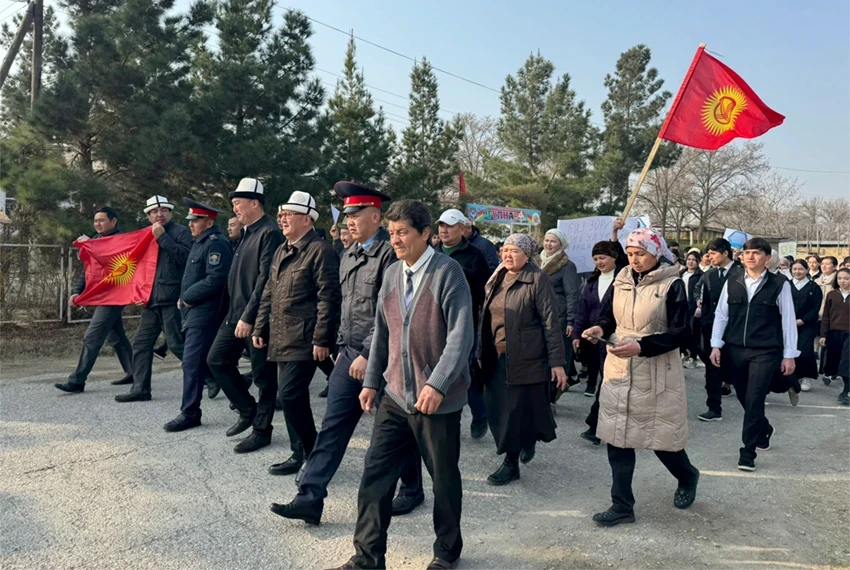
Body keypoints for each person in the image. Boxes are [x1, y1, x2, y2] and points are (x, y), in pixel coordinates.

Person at [328, 200, 473, 570]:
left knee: (443, 479)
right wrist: (371, 381)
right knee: (375, 476)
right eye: (392, 233)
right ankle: (367, 557)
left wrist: (438, 384)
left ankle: (446, 552)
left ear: (425, 233)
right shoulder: (393, 273)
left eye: (403, 232)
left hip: (435, 399)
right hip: (394, 395)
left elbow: (461, 336)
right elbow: (383, 333)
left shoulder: (448, 273)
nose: (395, 240)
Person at [269, 182, 398, 526]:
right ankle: (309, 498)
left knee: (394, 428)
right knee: (332, 427)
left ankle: (412, 489)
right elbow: (342, 306)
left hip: (381, 356)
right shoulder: (349, 254)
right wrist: (342, 347)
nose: (349, 221)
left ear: (375, 216)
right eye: (347, 215)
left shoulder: (389, 255)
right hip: (350, 354)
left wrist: (369, 353)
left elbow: (389, 312)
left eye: (356, 214)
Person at [582, 227, 699, 527]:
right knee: (617, 437)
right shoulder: (621, 278)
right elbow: (608, 316)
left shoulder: (672, 284)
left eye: (641, 254)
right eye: (631, 254)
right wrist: (600, 328)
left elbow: (682, 332)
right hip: (620, 367)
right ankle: (622, 505)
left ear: (656, 253)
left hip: (656, 371)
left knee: (661, 439)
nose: (634, 260)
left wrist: (643, 346)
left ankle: (687, 476)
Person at [253, 192, 341, 474]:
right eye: (281, 214)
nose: (282, 219)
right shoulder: (283, 249)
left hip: (305, 336)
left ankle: (314, 454)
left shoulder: (320, 250)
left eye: (288, 214)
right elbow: (269, 291)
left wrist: (322, 338)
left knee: (291, 395)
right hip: (281, 335)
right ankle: (299, 453)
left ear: (307, 219)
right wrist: (260, 325)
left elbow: (328, 297)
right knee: (292, 398)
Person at [477, 234, 567, 486]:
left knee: (513, 412)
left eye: (514, 251)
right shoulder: (497, 277)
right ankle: (525, 441)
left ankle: (511, 462)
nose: (507, 255)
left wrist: (557, 362)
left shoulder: (537, 279)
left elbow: (551, 322)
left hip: (524, 357)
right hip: (494, 355)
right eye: (505, 250)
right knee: (495, 406)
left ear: (527, 256)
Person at [206, 178, 284, 453]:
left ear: (255, 203)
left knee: (264, 377)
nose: (235, 208)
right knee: (216, 360)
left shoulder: (269, 233)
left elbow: (265, 279)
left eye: (238, 203)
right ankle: (247, 409)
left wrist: (250, 317)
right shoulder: (246, 233)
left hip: (256, 317)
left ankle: (262, 430)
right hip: (235, 314)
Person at [710, 238, 799, 472]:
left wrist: (789, 354)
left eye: (756, 253)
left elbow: (788, 321)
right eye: (747, 252)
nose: (750, 256)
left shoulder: (779, 284)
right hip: (735, 349)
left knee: (755, 398)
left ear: (767, 258)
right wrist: (716, 345)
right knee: (743, 396)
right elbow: (721, 315)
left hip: (765, 351)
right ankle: (764, 428)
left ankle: (747, 452)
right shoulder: (733, 281)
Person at [162, 199, 232, 431]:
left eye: (196, 220)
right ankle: (243, 398)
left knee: (192, 363)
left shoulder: (216, 244)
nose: (191, 224)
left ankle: (190, 412)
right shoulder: (199, 243)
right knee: (209, 361)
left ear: (209, 222)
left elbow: (216, 278)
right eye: (190, 220)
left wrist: (188, 297)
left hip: (205, 312)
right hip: (194, 311)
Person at [115, 196, 192, 403]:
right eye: (154, 212)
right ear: (148, 216)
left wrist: (163, 238)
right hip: (150, 300)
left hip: (172, 298)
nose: (159, 214)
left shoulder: (181, 232)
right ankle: (140, 389)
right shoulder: (145, 236)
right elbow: (137, 267)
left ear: (171, 213)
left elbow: (185, 258)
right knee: (141, 344)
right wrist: (139, 293)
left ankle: (213, 377)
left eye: (164, 210)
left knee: (176, 344)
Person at [55, 207, 134, 393]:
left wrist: (93, 246)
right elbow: (89, 271)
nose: (98, 223)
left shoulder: (120, 241)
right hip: (102, 295)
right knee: (116, 337)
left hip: (114, 295)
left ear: (113, 221)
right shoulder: (96, 240)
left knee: (92, 337)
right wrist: (77, 291)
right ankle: (135, 372)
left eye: (102, 220)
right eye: (96, 220)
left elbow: (118, 266)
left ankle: (77, 381)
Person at [436, 208, 492, 440]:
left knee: (461, 372)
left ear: (463, 228)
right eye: (441, 225)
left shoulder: (475, 256)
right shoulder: (431, 252)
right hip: (434, 325)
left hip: (464, 325)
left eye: (449, 226)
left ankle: (479, 413)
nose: (444, 230)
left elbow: (484, 295)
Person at [573, 222, 629, 446]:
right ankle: (599, 425)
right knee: (605, 382)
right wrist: (577, 334)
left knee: (609, 382)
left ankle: (595, 426)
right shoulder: (591, 282)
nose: (599, 262)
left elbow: (623, 256)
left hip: (617, 338)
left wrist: (614, 233)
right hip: (594, 339)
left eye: (603, 257)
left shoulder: (624, 277)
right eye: (596, 259)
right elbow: (582, 311)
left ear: (613, 257)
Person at [695, 238, 741, 422]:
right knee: (712, 368)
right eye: (708, 254)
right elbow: (706, 303)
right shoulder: (709, 275)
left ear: (725, 253)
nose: (710, 257)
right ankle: (714, 408)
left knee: (738, 368)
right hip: (713, 328)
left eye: (713, 253)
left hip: (736, 329)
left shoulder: (742, 274)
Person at [538, 228, 582, 392]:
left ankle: (555, 390)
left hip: (558, 315)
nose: (548, 244)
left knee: (558, 354)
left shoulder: (567, 266)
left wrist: (571, 320)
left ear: (561, 245)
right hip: (538, 313)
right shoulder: (536, 261)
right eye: (547, 240)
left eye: (553, 241)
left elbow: (572, 294)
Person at [790, 259, 823, 393]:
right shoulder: (786, 285)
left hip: (807, 325)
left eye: (801, 269)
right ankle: (794, 377)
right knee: (791, 349)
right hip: (789, 324)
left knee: (805, 350)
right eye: (794, 269)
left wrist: (803, 320)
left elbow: (816, 307)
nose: (797, 272)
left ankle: (806, 376)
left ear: (807, 270)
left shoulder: (814, 287)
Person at [820, 268, 850, 402]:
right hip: (834, 332)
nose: (842, 281)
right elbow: (826, 315)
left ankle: (846, 391)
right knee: (836, 362)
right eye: (840, 278)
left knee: (847, 362)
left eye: (846, 278)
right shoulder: (832, 294)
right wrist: (823, 334)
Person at [680, 250, 704, 369]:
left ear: (698, 261)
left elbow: (702, 292)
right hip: (681, 306)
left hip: (693, 307)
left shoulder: (701, 275)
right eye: (689, 259)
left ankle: (693, 355)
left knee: (693, 331)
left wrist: (699, 307)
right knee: (681, 330)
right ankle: (683, 352)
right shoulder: (681, 274)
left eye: (694, 260)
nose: (690, 262)